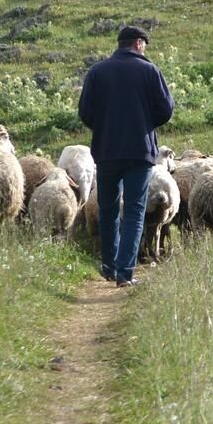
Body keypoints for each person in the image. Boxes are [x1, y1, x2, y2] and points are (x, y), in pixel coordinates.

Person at [78, 25, 175, 287]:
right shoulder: (150, 71)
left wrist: (104, 127)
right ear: (139, 44)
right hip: (139, 152)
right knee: (134, 210)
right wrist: (145, 123)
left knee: (107, 209)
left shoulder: (97, 71)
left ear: (120, 44)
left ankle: (108, 265)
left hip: (107, 151)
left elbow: (85, 112)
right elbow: (166, 110)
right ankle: (125, 272)